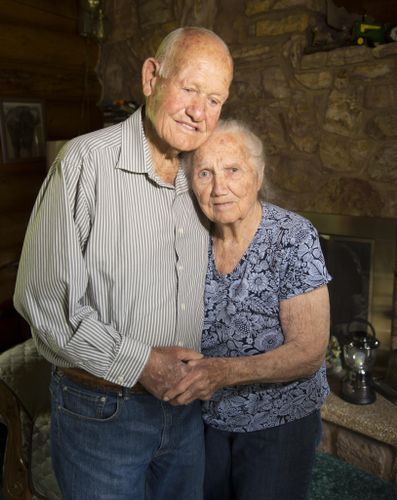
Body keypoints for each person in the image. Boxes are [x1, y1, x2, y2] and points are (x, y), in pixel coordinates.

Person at [13, 27, 233, 500]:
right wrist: (142, 364)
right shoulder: (84, 163)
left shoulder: (204, 177)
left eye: (215, 100)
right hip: (101, 413)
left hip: (185, 414)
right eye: (190, 89)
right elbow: (46, 303)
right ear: (152, 77)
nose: (200, 113)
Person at [165, 119, 331, 500]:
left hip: (278, 421)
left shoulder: (292, 237)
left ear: (258, 174)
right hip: (205, 419)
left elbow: (308, 353)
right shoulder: (191, 239)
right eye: (205, 173)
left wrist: (223, 372)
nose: (219, 188)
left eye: (233, 170)